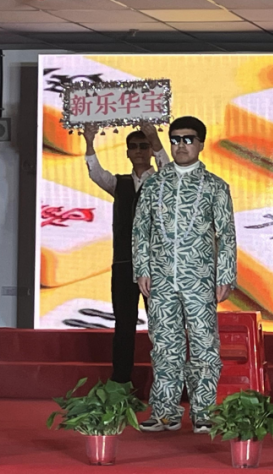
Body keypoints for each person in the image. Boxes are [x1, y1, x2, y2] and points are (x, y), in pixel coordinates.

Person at [133, 116, 237, 434]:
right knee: (165, 346)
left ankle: (203, 412)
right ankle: (165, 412)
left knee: (204, 344)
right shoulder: (153, 184)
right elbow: (140, 230)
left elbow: (226, 234)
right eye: (175, 140)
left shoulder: (216, 186)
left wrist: (225, 275)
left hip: (200, 279)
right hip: (161, 278)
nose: (181, 145)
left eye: (188, 139)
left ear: (201, 144)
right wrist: (142, 268)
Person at [84, 122, 169, 384]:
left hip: (157, 265)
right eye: (134, 147)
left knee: (161, 324)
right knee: (124, 324)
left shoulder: (163, 180)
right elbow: (96, 173)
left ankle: (169, 381)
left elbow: (170, 170)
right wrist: (89, 141)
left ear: (151, 151)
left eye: (144, 146)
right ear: (128, 152)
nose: (139, 151)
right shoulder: (118, 183)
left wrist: (155, 139)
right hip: (124, 263)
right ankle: (121, 381)